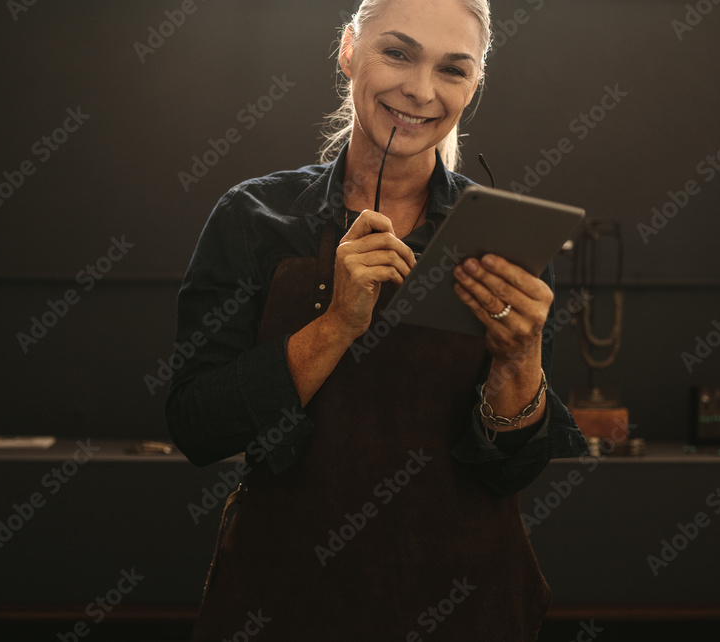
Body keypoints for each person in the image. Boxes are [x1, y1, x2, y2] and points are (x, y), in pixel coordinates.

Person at [165, 0, 588, 638]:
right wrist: (335, 323)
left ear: (473, 85)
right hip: (284, 601)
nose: (420, 91)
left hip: (468, 606)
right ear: (347, 50)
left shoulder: (506, 239)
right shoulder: (254, 219)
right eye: (397, 53)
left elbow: (511, 470)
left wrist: (519, 357)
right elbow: (199, 427)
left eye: (453, 69)